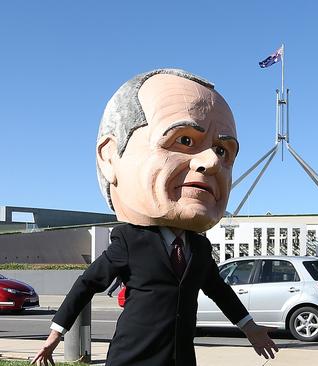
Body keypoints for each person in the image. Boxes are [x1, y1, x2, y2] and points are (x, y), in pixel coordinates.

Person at [32, 69, 278, 366]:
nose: (212, 161)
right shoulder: (130, 241)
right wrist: (55, 334)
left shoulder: (199, 248)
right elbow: (87, 284)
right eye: (185, 139)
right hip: (133, 357)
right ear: (110, 157)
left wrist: (250, 327)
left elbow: (218, 289)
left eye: (223, 151)